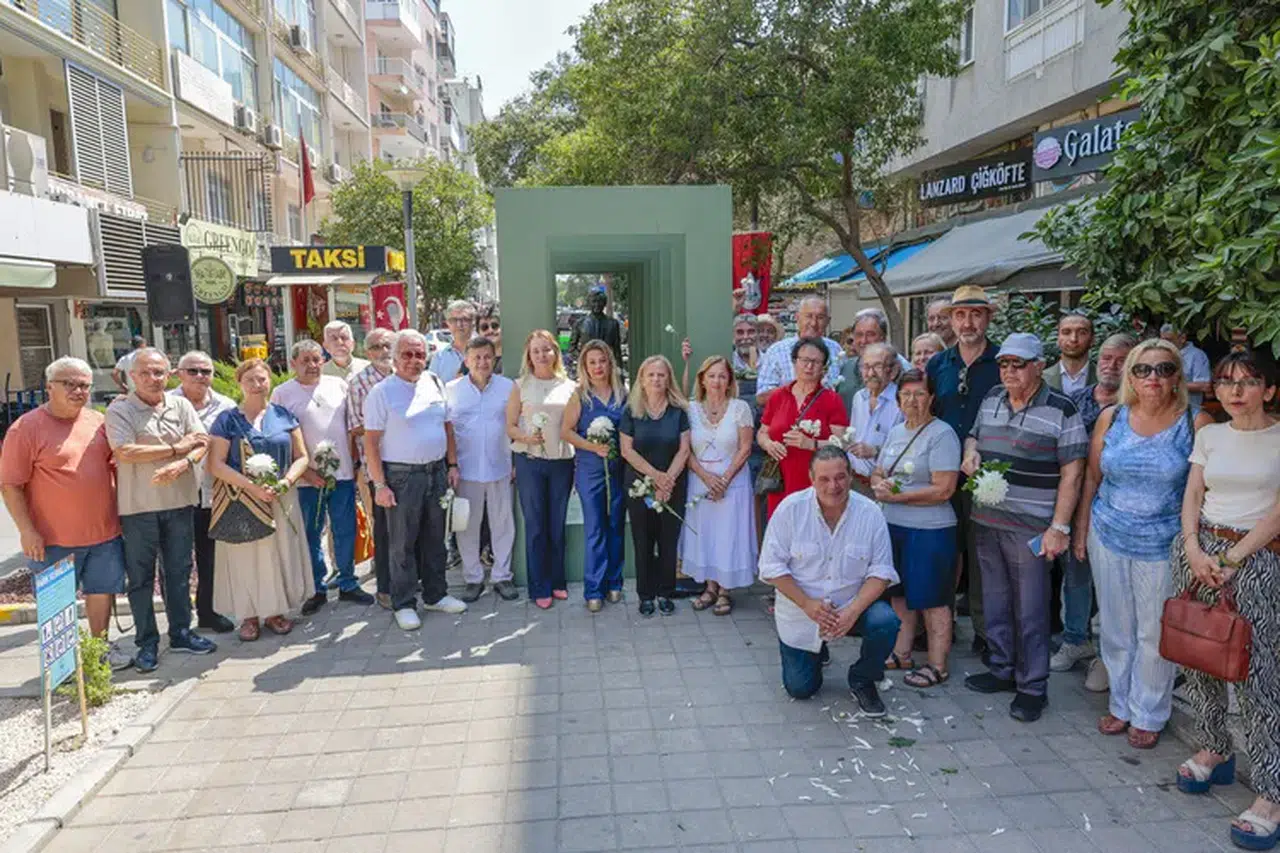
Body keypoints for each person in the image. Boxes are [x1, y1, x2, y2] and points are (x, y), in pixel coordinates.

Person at [1171, 348, 1280, 851]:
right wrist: (1193, 548)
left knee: (1259, 674)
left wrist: (1233, 558)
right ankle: (1215, 747)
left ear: (1270, 389)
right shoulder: (1209, 434)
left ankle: (1271, 790)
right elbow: (1193, 493)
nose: (1236, 391)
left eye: (1249, 381)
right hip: (1200, 551)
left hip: (1256, 558)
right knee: (1197, 657)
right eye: (1226, 381)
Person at [1072, 338, 1192, 749]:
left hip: (1163, 542)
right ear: (1130, 377)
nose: (1153, 377)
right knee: (1116, 626)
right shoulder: (1112, 417)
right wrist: (1081, 529)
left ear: (1177, 376)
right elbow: (1092, 477)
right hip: (1108, 534)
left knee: (1154, 632)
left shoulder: (1195, 422)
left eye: (1163, 369)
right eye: (1143, 369)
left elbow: (1200, 492)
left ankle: (1150, 712)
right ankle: (1121, 705)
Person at [960, 332, 1087, 723]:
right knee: (996, 600)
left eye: (1018, 364)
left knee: (1031, 609)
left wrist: (1060, 527)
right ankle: (1001, 668)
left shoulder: (1062, 409)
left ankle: (1032, 686)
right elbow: (973, 436)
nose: (1009, 371)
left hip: (1031, 528)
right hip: (987, 520)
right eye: (1004, 363)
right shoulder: (992, 398)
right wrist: (971, 454)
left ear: (1038, 366)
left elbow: (1073, 473)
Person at [0, 357, 131, 670]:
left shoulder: (98, 422)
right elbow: (10, 485)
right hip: (52, 539)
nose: (78, 390)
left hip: (104, 534)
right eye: (68, 383)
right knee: (57, 603)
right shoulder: (25, 428)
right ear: (49, 388)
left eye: (84, 385)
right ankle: (62, 666)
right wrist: (26, 530)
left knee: (101, 593)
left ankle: (98, 652)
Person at [759, 446, 901, 716]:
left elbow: (881, 572)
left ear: (850, 477)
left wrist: (852, 611)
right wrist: (807, 604)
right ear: (811, 479)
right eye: (824, 479)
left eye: (840, 477)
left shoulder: (870, 513)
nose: (833, 486)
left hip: (852, 605)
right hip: (802, 610)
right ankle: (815, 652)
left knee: (885, 621)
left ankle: (863, 677)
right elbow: (770, 567)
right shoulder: (790, 509)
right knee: (800, 689)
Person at [104, 348, 217, 671]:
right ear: (132, 377)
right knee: (140, 578)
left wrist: (183, 462)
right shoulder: (121, 409)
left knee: (179, 572)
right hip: (139, 508)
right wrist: (174, 448)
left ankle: (181, 632)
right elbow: (124, 450)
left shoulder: (180, 404)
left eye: (158, 372)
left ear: (168, 375)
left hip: (180, 503)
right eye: (145, 373)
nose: (153, 379)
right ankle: (147, 642)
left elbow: (201, 442)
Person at [364, 330, 468, 630]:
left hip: (436, 472)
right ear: (394, 358)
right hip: (400, 477)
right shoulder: (381, 393)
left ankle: (436, 595)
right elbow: (370, 443)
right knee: (402, 544)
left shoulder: (434, 383)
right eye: (407, 354)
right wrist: (380, 485)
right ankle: (404, 602)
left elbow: (447, 427)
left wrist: (451, 464)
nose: (414, 360)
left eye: (419, 354)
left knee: (437, 538)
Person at [206, 360, 313, 641]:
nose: (257, 385)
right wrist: (252, 488)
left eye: (262, 379)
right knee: (246, 558)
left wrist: (287, 481)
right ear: (240, 383)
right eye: (250, 380)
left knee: (279, 553)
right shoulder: (227, 420)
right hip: (242, 499)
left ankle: (275, 612)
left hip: (281, 495)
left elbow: (302, 457)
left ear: (270, 382)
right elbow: (216, 464)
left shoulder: (284, 416)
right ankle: (249, 616)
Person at [1053, 333, 1137, 684]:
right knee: (1075, 576)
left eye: (1120, 359)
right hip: (1074, 502)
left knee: (1114, 586)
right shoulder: (1074, 400)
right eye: (1105, 358)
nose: (1110, 365)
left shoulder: (1135, 408)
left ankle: (1111, 653)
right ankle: (1075, 639)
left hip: (1118, 507)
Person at [870, 369, 961, 688]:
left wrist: (900, 496)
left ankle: (938, 665)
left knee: (932, 599)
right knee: (900, 595)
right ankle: (901, 652)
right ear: (898, 400)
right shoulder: (896, 432)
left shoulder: (942, 434)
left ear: (932, 398)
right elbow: (879, 471)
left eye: (919, 394)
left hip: (930, 531)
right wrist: (878, 483)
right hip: (893, 526)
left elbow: (944, 489)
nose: (912, 400)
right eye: (906, 394)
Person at [272, 341, 374, 614]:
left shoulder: (338, 386)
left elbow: (351, 427)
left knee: (345, 530)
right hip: (307, 479)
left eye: (317, 359)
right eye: (305, 360)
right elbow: (280, 439)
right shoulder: (282, 394)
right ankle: (316, 588)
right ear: (293, 363)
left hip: (341, 475)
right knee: (311, 533)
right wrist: (305, 471)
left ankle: (348, 582)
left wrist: (352, 463)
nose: (312, 365)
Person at [927, 284, 1002, 658]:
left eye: (975, 314)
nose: (967, 322)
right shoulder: (938, 365)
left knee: (983, 557)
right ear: (951, 320)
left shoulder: (1004, 363)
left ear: (987, 317)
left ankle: (988, 633)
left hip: (990, 478)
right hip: (943, 476)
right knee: (944, 552)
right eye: (960, 315)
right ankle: (941, 627)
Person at [506, 329, 577, 609]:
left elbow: (573, 425)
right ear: (529, 354)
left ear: (555, 352)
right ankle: (539, 586)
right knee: (536, 525)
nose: (542, 355)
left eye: (546, 349)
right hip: (530, 462)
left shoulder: (570, 385)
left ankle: (558, 580)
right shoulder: (520, 385)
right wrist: (525, 438)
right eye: (536, 350)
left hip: (561, 461)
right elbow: (510, 425)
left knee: (557, 523)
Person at [681, 356, 756, 615]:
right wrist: (705, 476)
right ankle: (709, 587)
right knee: (706, 534)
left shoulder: (740, 408)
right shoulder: (691, 409)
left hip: (733, 481)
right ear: (702, 379)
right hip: (700, 479)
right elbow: (685, 450)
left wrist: (723, 480)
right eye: (711, 376)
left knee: (728, 534)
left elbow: (745, 448)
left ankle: (725, 590)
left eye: (722, 376)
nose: (716, 381)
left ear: (729, 381)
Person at [169, 350, 237, 634]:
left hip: (212, 494)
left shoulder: (226, 406)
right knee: (177, 561)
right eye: (193, 370)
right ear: (179, 373)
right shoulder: (165, 404)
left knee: (210, 558)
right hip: (175, 495)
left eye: (206, 371)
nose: (200, 376)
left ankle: (208, 613)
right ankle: (179, 623)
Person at [446, 336, 518, 602]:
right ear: (466, 360)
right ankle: (473, 579)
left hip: (501, 466)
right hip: (465, 469)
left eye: (487, 357)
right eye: (476, 357)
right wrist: (451, 464)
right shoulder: (451, 389)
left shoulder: (508, 387)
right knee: (467, 526)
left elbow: (516, 425)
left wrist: (516, 461)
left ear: (494, 359)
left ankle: (502, 576)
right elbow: (448, 430)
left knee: (503, 523)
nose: (482, 362)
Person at [620, 355, 691, 617]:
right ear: (641, 378)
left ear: (668, 378)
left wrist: (668, 481)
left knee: (668, 541)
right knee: (643, 541)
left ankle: (665, 592)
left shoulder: (678, 412)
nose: (656, 379)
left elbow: (684, 450)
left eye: (661, 375)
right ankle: (646, 594)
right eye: (651, 375)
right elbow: (627, 451)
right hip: (640, 486)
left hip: (673, 486)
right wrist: (656, 478)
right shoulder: (632, 411)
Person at [561, 339, 627, 611]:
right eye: (592, 363)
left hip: (618, 468)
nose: (598, 367)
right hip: (590, 470)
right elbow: (566, 432)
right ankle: (593, 588)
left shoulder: (622, 392)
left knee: (616, 526)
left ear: (609, 362)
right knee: (595, 527)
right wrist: (593, 447)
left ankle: (615, 582)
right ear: (584, 367)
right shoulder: (580, 396)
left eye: (602, 361)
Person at [758, 338, 850, 518]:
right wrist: (768, 444)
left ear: (824, 367)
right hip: (780, 480)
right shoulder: (778, 396)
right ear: (794, 362)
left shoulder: (831, 400)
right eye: (804, 360)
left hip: (815, 482)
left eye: (816, 362)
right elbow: (762, 432)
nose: (809, 367)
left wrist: (812, 443)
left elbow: (842, 443)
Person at [347, 327, 395, 610]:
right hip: (378, 466)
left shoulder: (407, 375)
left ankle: (411, 579)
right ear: (367, 353)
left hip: (411, 462)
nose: (383, 351)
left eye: (387, 345)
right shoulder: (359, 383)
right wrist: (390, 423)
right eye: (376, 347)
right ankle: (386, 588)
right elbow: (354, 428)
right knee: (385, 529)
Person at [755, 296, 843, 407]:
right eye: (808, 316)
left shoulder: (836, 349)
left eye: (820, 317)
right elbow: (761, 398)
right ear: (797, 317)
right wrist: (797, 388)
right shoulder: (776, 351)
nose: (813, 323)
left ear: (828, 321)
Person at [846, 342, 904, 488]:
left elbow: (908, 448)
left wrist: (875, 451)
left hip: (886, 483)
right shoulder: (859, 397)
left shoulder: (902, 401)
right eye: (866, 367)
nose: (870, 373)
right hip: (855, 479)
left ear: (893, 371)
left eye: (877, 366)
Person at [836, 308, 914, 412]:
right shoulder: (846, 366)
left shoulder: (900, 368)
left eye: (870, 334)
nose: (864, 340)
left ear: (883, 337)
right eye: (859, 335)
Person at [1161, 325, 1213, 417]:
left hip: (1189, 412)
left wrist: (1173, 385)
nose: (1165, 344)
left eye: (1169, 340)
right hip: (1164, 411)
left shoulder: (1197, 355)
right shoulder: (1162, 354)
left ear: (1182, 338)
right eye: (1163, 340)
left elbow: (1204, 385)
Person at [570, 286, 624, 370]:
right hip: (587, 368)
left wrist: (620, 369)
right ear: (589, 303)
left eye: (600, 302)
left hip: (607, 368)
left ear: (604, 303)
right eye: (594, 302)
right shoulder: (580, 323)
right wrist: (584, 358)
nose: (597, 305)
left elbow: (617, 350)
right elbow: (572, 348)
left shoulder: (613, 324)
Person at [1045, 313, 1096, 396]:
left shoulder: (1104, 378)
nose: (1073, 339)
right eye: (1066, 332)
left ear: (1093, 339)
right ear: (1058, 338)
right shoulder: (1041, 379)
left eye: (1081, 333)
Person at [430, 300, 477, 382]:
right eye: (454, 320)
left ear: (473, 322)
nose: (459, 324)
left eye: (464, 319)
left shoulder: (485, 352)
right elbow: (432, 389)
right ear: (448, 323)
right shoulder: (439, 357)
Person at [479, 308, 504, 374]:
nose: (490, 330)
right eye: (484, 327)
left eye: (494, 326)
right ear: (478, 332)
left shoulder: (514, 358)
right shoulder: (472, 361)